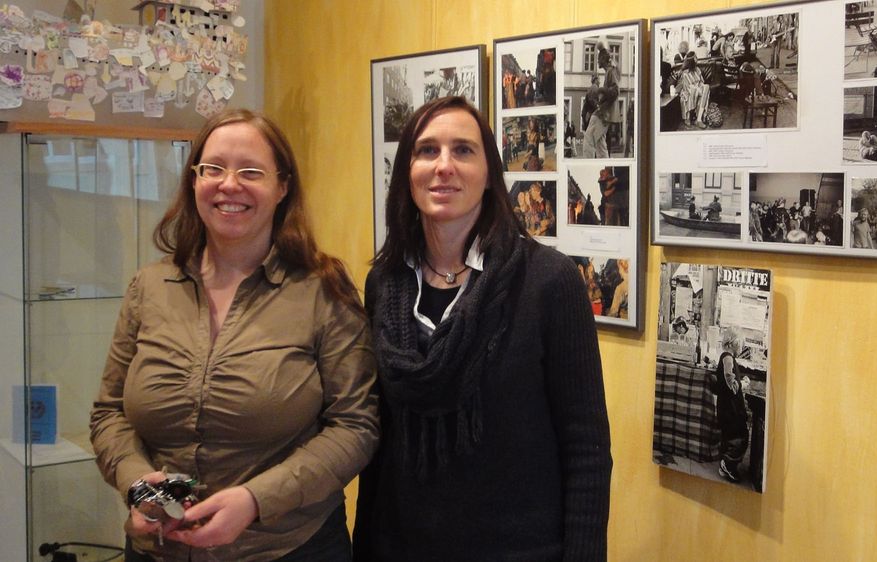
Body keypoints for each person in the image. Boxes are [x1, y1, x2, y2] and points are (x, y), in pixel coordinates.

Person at [89, 109, 379, 561]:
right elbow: (109, 412)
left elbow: (356, 426)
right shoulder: (148, 287)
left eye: (251, 171)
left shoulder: (323, 291)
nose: (229, 184)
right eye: (213, 168)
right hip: (157, 549)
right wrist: (135, 481)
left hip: (286, 549)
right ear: (193, 181)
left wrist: (256, 500)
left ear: (282, 187)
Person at [353, 96, 612, 561]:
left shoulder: (548, 281)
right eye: (427, 150)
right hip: (402, 547)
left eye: (463, 151)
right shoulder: (384, 284)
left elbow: (586, 448)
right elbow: (382, 440)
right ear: (406, 171)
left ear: (490, 172)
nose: (444, 166)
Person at [711, 346, 750, 483]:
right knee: (740, 436)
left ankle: (725, 466)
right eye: (740, 343)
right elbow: (731, 385)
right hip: (731, 408)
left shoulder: (726, 357)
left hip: (726, 407)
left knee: (728, 436)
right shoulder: (728, 358)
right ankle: (728, 465)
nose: (740, 346)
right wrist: (744, 383)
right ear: (734, 343)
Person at [581, 44, 620, 158]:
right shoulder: (609, 72)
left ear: (603, 59)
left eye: (599, 58)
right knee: (600, 145)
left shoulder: (610, 72)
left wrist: (602, 90)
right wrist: (602, 98)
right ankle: (605, 164)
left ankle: (587, 164)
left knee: (588, 139)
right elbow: (611, 93)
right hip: (605, 113)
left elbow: (615, 91)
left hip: (604, 114)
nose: (597, 60)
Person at [677, 56, 710, 129]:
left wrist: (700, 87)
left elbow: (701, 81)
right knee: (694, 91)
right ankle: (688, 118)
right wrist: (697, 89)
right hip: (688, 91)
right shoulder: (685, 73)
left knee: (706, 87)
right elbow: (686, 87)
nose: (697, 60)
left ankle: (699, 120)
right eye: (695, 59)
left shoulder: (697, 70)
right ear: (691, 61)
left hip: (698, 90)